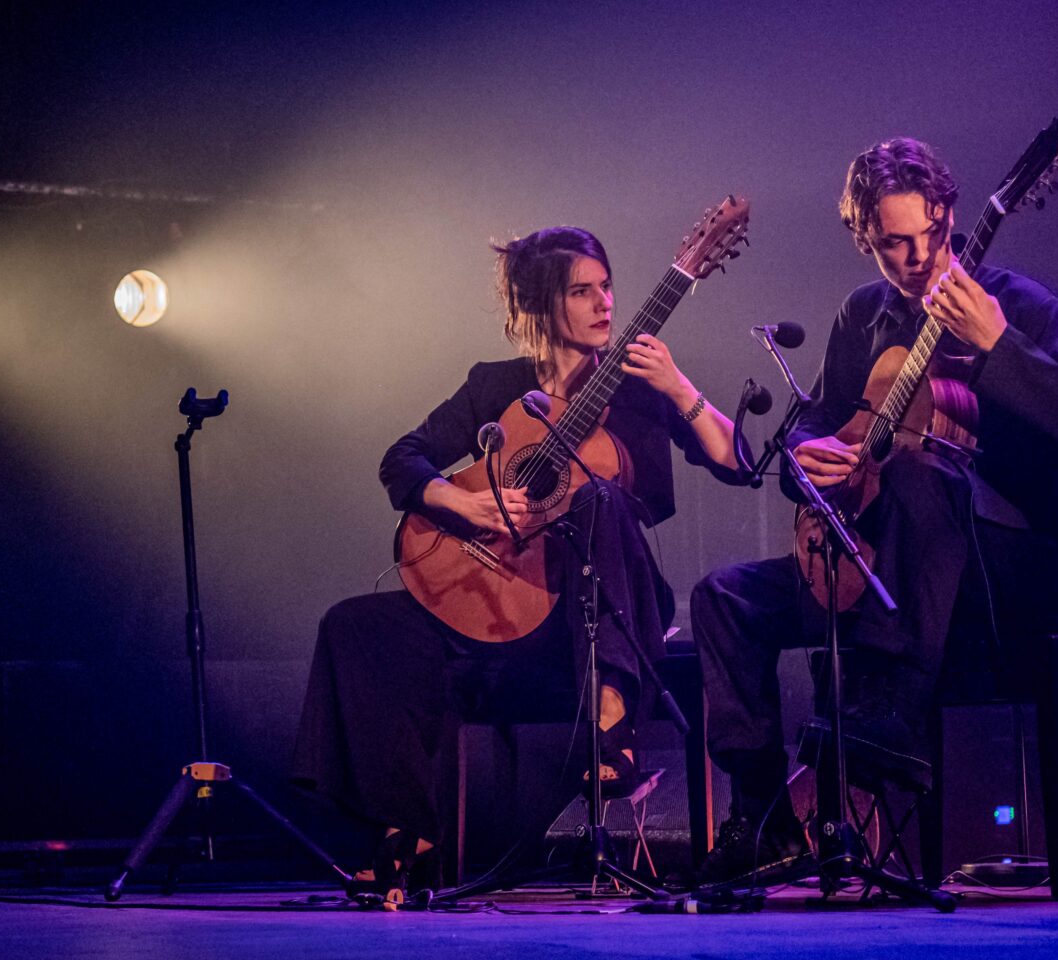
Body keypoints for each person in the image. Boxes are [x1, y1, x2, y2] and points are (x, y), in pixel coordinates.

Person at [685, 137, 1058, 888]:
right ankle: (762, 819)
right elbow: (812, 434)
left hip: (1013, 557)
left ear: (952, 216)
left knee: (922, 476)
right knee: (724, 598)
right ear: (865, 240)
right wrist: (808, 462)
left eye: (933, 235)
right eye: (894, 245)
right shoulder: (864, 317)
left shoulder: (1023, 307)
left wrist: (997, 346)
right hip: (881, 559)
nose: (919, 258)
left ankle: (884, 718)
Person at [290, 226, 745, 896]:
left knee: (601, 498)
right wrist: (464, 506)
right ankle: (403, 829)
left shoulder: (643, 386)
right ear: (539, 304)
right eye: (581, 291)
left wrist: (679, 387)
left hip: (599, 611)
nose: (603, 303)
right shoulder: (495, 386)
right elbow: (402, 460)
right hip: (497, 606)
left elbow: (739, 463)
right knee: (355, 626)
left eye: (606, 287)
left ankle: (612, 729)